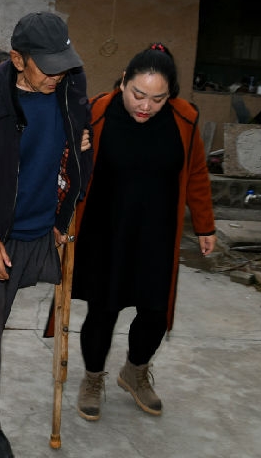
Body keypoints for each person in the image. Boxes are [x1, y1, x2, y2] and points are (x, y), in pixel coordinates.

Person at [0, 12, 91, 458]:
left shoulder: (69, 87)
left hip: (46, 229)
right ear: (17, 59)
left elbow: (77, 152)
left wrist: (65, 211)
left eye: (63, 64)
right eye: (47, 67)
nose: (57, 75)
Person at [71, 43, 215, 422]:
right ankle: (92, 378)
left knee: (155, 313)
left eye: (158, 99)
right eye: (138, 94)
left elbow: (197, 172)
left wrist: (205, 224)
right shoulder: (95, 112)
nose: (146, 106)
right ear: (123, 81)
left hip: (157, 233)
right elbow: (64, 165)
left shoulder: (184, 119)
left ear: (171, 96)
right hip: (105, 231)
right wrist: (73, 151)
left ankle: (135, 371)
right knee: (103, 310)